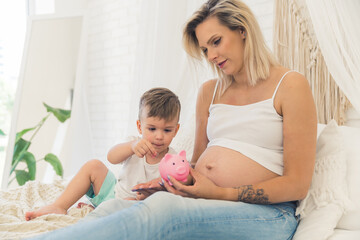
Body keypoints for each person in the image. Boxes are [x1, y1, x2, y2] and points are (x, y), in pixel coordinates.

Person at [28, 0, 317, 239]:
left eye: (216, 42)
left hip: (268, 215)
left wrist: (220, 192)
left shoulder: (290, 85)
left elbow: (297, 184)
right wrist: (171, 184)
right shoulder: (210, 91)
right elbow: (196, 163)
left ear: (242, 31)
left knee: (162, 212)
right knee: (113, 209)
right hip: (203, 199)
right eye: (205, 49)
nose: (212, 55)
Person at [25, 87, 181, 221]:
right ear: (140, 127)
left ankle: (100, 210)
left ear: (176, 130)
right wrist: (132, 147)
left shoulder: (173, 160)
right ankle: (58, 206)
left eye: (167, 130)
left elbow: (171, 194)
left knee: (132, 207)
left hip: (137, 205)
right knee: (93, 165)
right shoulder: (134, 143)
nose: (159, 136)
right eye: (152, 129)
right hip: (114, 194)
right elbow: (111, 157)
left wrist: (145, 198)